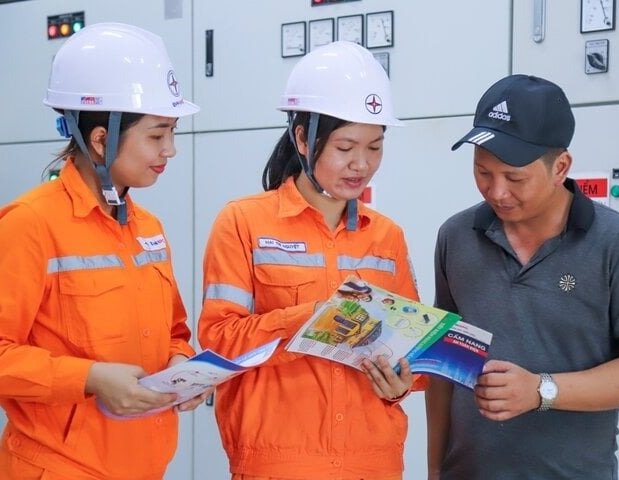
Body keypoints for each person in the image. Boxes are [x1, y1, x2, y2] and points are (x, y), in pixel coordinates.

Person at [198, 41, 425, 480]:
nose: (361, 164)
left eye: (375, 147)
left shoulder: (387, 236)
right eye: (345, 147)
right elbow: (220, 344)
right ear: (303, 138)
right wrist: (310, 318)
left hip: (373, 464)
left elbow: (413, 359)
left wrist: (401, 384)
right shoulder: (243, 222)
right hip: (279, 465)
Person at [0, 23, 204, 479]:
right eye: (157, 135)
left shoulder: (148, 228)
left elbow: (174, 331)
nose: (170, 150)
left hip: (144, 465)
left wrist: (182, 364)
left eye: (172, 132)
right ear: (100, 139)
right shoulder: (30, 223)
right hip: (60, 468)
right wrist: (88, 379)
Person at [426, 74, 619, 479]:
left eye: (515, 178)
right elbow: (443, 366)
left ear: (560, 167)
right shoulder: (456, 236)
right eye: (483, 172)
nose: (496, 191)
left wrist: (541, 390)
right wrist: (435, 469)